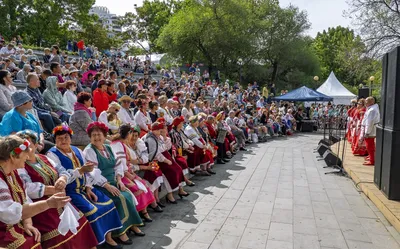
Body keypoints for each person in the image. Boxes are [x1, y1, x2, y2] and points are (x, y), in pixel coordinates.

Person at [16, 130, 98, 249]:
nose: (26, 150)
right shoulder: (20, 166)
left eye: (29, 145)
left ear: (35, 145)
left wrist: (63, 179)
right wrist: (53, 189)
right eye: (22, 147)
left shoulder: (44, 158)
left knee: (81, 222)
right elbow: (27, 188)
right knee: (59, 234)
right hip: (42, 207)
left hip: (61, 200)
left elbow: (62, 170)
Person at [46, 125, 124, 248]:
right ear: (55, 140)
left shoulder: (76, 150)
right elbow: (61, 177)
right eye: (59, 138)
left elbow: (88, 171)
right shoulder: (52, 155)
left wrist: (88, 187)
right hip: (70, 191)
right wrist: (80, 170)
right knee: (92, 211)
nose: (63, 140)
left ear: (71, 139)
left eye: (66, 137)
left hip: (84, 188)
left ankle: (108, 238)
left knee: (108, 203)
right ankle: (98, 243)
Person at [0, 135, 71, 249]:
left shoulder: (13, 173)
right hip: (4, 228)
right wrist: (48, 203)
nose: (28, 156)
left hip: (14, 223)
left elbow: (24, 198)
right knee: (26, 244)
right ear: (13, 157)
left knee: (33, 238)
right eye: (25, 153)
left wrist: (28, 223)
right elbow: (8, 213)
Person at [83, 122, 145, 245]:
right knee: (119, 198)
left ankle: (131, 225)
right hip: (99, 183)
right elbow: (93, 173)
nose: (97, 138)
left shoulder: (108, 147)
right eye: (94, 135)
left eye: (99, 134)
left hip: (114, 180)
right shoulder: (89, 151)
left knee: (128, 194)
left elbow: (118, 166)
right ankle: (120, 232)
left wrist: (119, 180)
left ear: (105, 135)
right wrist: (107, 185)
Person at [110, 124, 162, 221]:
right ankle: (140, 214)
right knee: (138, 188)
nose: (133, 137)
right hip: (121, 175)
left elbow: (132, 162)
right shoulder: (118, 145)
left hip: (129, 171)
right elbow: (121, 165)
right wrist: (130, 174)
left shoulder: (122, 143)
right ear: (128, 134)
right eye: (131, 134)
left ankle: (144, 211)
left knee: (143, 185)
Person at [145, 121, 189, 204]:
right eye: (159, 130)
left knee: (178, 169)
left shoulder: (159, 137)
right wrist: (166, 160)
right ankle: (170, 194)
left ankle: (180, 190)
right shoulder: (151, 139)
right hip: (158, 160)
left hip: (165, 157)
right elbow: (156, 153)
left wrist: (165, 137)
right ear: (154, 130)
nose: (161, 131)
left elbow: (167, 147)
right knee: (171, 172)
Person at [361, 97, 380, 166]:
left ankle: (372, 160)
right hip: (371, 129)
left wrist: (367, 132)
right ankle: (371, 156)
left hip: (370, 130)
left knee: (369, 145)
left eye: (367, 101)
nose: (365, 103)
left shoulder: (372, 110)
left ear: (371, 102)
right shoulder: (372, 109)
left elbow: (370, 122)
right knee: (371, 145)